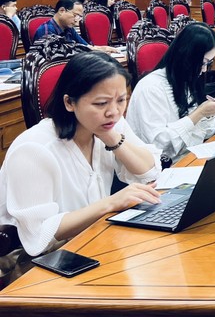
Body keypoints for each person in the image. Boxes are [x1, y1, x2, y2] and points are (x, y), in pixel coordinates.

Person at [0, 52, 160, 276]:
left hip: (91, 241)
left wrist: (112, 139)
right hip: (35, 263)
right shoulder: (34, 148)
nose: (113, 112)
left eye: (121, 100)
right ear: (69, 102)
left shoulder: (108, 125)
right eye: (101, 103)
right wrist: (110, 203)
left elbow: (149, 172)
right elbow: (39, 235)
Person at [128, 23, 215, 163]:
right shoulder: (151, 88)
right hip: (161, 167)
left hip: (190, 157)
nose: (204, 70)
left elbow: (204, 134)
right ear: (187, 57)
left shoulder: (185, 80)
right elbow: (160, 147)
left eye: (208, 63)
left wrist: (210, 111)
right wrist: (199, 113)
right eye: (202, 63)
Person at [33, 0, 116, 52]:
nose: (77, 21)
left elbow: (86, 46)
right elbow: (53, 59)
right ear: (62, 11)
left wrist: (103, 48)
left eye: (79, 17)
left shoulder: (68, 28)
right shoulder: (46, 31)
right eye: (75, 15)